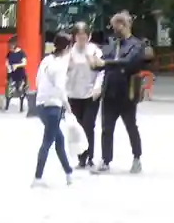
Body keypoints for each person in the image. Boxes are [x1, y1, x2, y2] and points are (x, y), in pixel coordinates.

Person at [91, 10, 150, 174]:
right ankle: (105, 160)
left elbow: (128, 62)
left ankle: (137, 157)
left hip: (127, 92)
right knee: (106, 128)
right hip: (110, 90)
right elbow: (103, 60)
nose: (114, 29)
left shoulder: (136, 45)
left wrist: (105, 63)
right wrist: (96, 63)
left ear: (124, 25)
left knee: (131, 126)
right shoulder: (111, 43)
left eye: (116, 26)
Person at [31, 31, 75, 187]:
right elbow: (60, 88)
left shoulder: (46, 60)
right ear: (67, 47)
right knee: (48, 141)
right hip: (53, 105)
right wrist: (67, 106)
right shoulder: (60, 65)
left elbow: (37, 81)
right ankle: (38, 177)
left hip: (41, 103)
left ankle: (69, 173)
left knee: (58, 139)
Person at [64, 21, 103, 170]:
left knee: (88, 125)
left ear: (89, 36)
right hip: (74, 94)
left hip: (91, 94)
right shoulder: (69, 52)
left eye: (84, 35)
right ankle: (81, 158)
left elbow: (101, 71)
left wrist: (98, 87)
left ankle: (90, 157)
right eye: (78, 35)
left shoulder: (94, 51)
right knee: (78, 127)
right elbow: (63, 72)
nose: (81, 38)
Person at [4, 38, 29, 113]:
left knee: (21, 90)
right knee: (9, 91)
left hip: (20, 74)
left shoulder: (21, 53)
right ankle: (7, 106)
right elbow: (7, 62)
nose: (10, 47)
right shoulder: (9, 53)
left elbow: (24, 63)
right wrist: (8, 66)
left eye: (11, 45)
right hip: (11, 74)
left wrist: (16, 65)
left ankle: (21, 107)